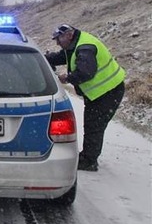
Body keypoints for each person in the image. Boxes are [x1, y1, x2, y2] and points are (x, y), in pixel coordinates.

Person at [45, 24, 126, 171]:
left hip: (108, 91)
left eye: (59, 39)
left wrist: (66, 78)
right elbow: (63, 56)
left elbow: (85, 73)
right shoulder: (75, 44)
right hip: (103, 92)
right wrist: (46, 59)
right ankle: (88, 156)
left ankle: (89, 161)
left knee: (94, 125)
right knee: (92, 123)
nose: (57, 43)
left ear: (69, 35)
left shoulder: (85, 48)